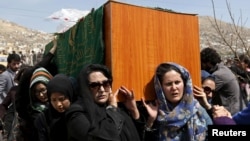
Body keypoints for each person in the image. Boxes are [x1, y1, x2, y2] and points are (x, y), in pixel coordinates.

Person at [65, 63, 141, 141]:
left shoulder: (117, 107)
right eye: (94, 85)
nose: (102, 90)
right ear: (85, 88)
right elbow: (104, 137)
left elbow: (135, 135)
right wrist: (113, 110)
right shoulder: (77, 114)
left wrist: (133, 110)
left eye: (105, 84)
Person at [141, 62, 212, 141]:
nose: (174, 88)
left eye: (177, 82)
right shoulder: (155, 113)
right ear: (160, 88)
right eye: (168, 84)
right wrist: (150, 121)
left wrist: (208, 107)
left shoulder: (197, 109)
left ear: (185, 84)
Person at [200, 47, 245, 115]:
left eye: (202, 63)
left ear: (208, 63)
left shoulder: (219, 75)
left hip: (230, 113)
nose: (201, 66)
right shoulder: (223, 69)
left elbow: (204, 94)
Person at [34, 74, 77, 141]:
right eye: (54, 100)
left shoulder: (79, 116)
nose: (58, 104)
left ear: (70, 96)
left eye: (62, 99)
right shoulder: (43, 119)